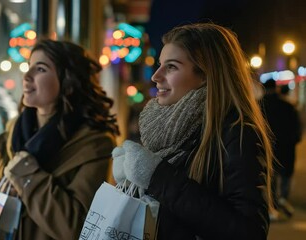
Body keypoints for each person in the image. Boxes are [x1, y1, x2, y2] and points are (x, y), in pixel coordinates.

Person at [112, 22, 274, 239]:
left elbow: (248, 232)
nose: (156, 76)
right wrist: (130, 184)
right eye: (160, 64)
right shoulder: (164, 129)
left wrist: (157, 177)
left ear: (207, 75)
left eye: (171, 67)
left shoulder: (236, 133)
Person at [0, 39, 119, 240]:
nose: (26, 76)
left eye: (41, 69)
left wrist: (27, 178)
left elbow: (77, 227)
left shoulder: (94, 143)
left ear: (68, 81)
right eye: (28, 68)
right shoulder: (13, 131)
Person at [261, 79, 302, 219]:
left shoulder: (259, 106)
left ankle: (273, 204)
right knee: (286, 174)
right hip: (287, 146)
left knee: (271, 176)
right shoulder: (287, 106)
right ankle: (283, 198)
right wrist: (295, 140)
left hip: (268, 147)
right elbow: (296, 126)